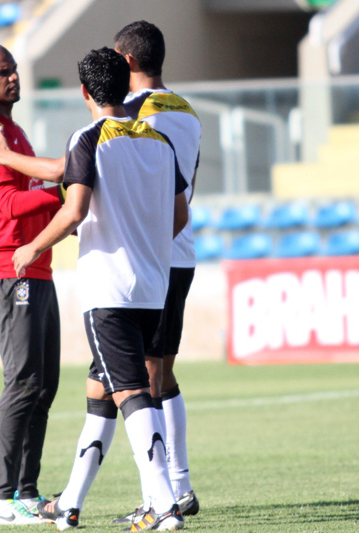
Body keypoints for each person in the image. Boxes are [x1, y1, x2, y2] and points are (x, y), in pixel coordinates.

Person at [0, 21, 203, 523]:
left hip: (109, 289)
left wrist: (33, 246)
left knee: (132, 392)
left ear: (84, 92)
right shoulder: (157, 137)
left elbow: (74, 211)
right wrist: (143, 238)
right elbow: (180, 213)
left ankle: (165, 506)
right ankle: (71, 502)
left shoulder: (89, 137)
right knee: (102, 388)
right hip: (152, 283)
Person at [0, 42, 62, 527]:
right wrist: (66, 191)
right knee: (23, 381)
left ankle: (26, 493)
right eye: (2, 72)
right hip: (8, 271)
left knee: (44, 386)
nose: (14, 78)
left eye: (15, 70)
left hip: (37, 269)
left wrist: (61, 194)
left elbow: (32, 192)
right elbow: (7, 205)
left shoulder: (14, 134)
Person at [112, 20, 202, 525]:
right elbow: (189, 185)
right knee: (161, 371)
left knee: (143, 378)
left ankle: (161, 496)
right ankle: (179, 486)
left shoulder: (131, 114)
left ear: (126, 62)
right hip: (181, 251)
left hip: (151, 253)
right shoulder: (186, 110)